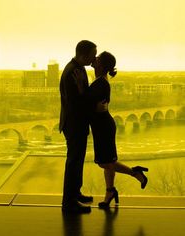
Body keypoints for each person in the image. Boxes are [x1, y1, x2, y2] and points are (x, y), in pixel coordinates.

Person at [88, 51, 149, 209]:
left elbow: (94, 106)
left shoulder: (101, 83)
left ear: (101, 65)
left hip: (103, 126)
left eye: (98, 58)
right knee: (108, 162)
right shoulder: (100, 81)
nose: (95, 59)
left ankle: (134, 173)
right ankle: (110, 191)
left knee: (105, 163)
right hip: (101, 125)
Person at [59, 40, 97, 214]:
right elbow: (75, 102)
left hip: (77, 123)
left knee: (77, 160)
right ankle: (69, 203)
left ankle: (75, 193)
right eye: (92, 55)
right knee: (73, 162)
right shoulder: (71, 73)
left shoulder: (78, 69)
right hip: (73, 123)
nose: (94, 58)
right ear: (83, 55)